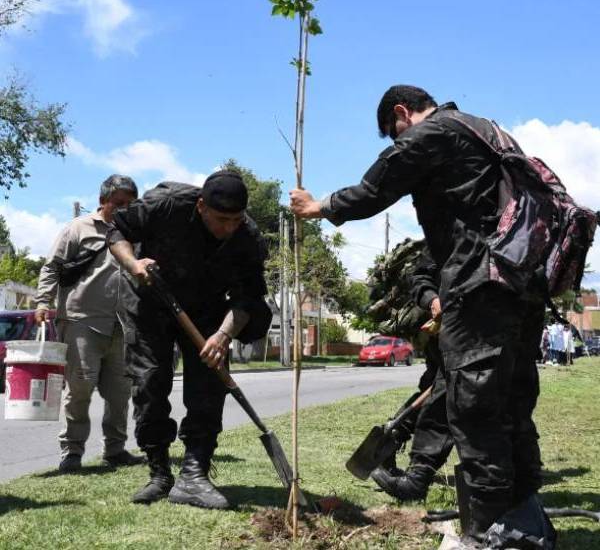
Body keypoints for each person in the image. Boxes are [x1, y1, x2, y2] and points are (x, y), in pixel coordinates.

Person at [290, 86, 554, 547]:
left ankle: (498, 531)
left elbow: (378, 186)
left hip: (482, 282)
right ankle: (526, 517)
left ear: (401, 113)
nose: (397, 143)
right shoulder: (487, 130)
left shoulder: (431, 132)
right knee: (511, 400)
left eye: (394, 134)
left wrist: (322, 207)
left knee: (476, 407)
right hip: (522, 284)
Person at [108, 171, 272, 508]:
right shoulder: (166, 205)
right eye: (221, 219)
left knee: (209, 383)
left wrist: (224, 335)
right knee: (151, 380)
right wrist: (133, 263)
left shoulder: (248, 237)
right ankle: (159, 472)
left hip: (208, 311)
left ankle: (194, 475)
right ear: (201, 206)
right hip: (150, 299)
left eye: (236, 219)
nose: (228, 227)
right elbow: (117, 230)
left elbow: (248, 299)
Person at [35, 175, 143, 473]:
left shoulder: (135, 233)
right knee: (79, 390)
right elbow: (52, 267)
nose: (124, 209)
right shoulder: (77, 228)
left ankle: (116, 449)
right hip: (82, 322)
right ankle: (72, 452)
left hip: (122, 325)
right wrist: (43, 302)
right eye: (118, 203)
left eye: (130, 204)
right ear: (102, 201)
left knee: (120, 393)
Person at [371, 247, 454, 502]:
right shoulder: (449, 235)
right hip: (441, 329)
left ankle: (393, 435)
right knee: (449, 391)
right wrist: (433, 300)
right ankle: (414, 467)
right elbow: (421, 277)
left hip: (442, 331)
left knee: (436, 386)